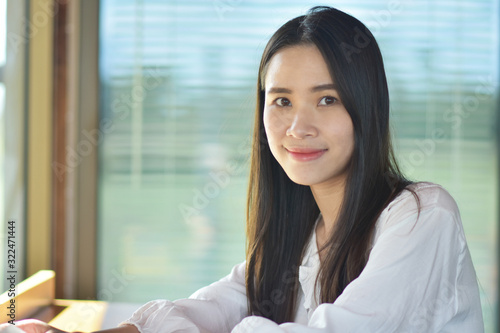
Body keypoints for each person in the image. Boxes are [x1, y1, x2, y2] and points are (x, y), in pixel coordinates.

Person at [1, 6, 484, 333]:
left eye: (327, 99)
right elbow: (218, 304)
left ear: (366, 106)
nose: (298, 126)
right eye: (281, 101)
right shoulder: (299, 231)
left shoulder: (422, 214)